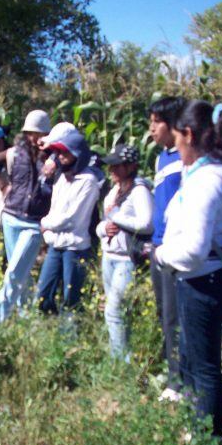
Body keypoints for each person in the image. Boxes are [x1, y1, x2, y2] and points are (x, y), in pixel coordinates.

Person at [155, 101, 222, 437]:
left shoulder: (206, 179)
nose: (176, 145)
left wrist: (162, 255)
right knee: (205, 365)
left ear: (190, 134)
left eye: (179, 137)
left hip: (203, 282)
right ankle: (206, 434)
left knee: (204, 369)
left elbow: (193, 251)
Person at [0, 109, 52, 329]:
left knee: (14, 271)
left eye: (39, 133)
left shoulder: (52, 157)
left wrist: (52, 160)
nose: (35, 138)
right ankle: (26, 317)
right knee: (20, 270)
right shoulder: (14, 152)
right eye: (31, 133)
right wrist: (2, 186)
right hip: (11, 217)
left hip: (33, 222)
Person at [37, 128, 104, 315]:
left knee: (71, 297)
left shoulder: (88, 181)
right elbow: (54, 210)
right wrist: (48, 232)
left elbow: (72, 218)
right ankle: (47, 330)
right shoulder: (61, 177)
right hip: (55, 244)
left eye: (65, 152)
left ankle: (70, 338)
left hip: (75, 247)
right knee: (43, 293)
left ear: (78, 154)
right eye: (58, 152)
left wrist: (45, 225)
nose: (60, 156)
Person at [96, 144, 154, 360]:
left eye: (117, 166)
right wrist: (104, 228)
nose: (111, 170)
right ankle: (120, 355)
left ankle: (120, 361)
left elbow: (147, 224)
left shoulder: (140, 191)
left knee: (114, 310)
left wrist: (117, 217)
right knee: (117, 311)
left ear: (131, 166)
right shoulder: (114, 191)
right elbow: (104, 222)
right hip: (109, 256)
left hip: (127, 260)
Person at [148, 97, 186, 398]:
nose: (151, 128)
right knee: (165, 315)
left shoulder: (186, 160)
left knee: (176, 318)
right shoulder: (161, 158)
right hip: (157, 246)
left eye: (155, 122)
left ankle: (178, 383)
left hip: (175, 248)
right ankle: (172, 371)